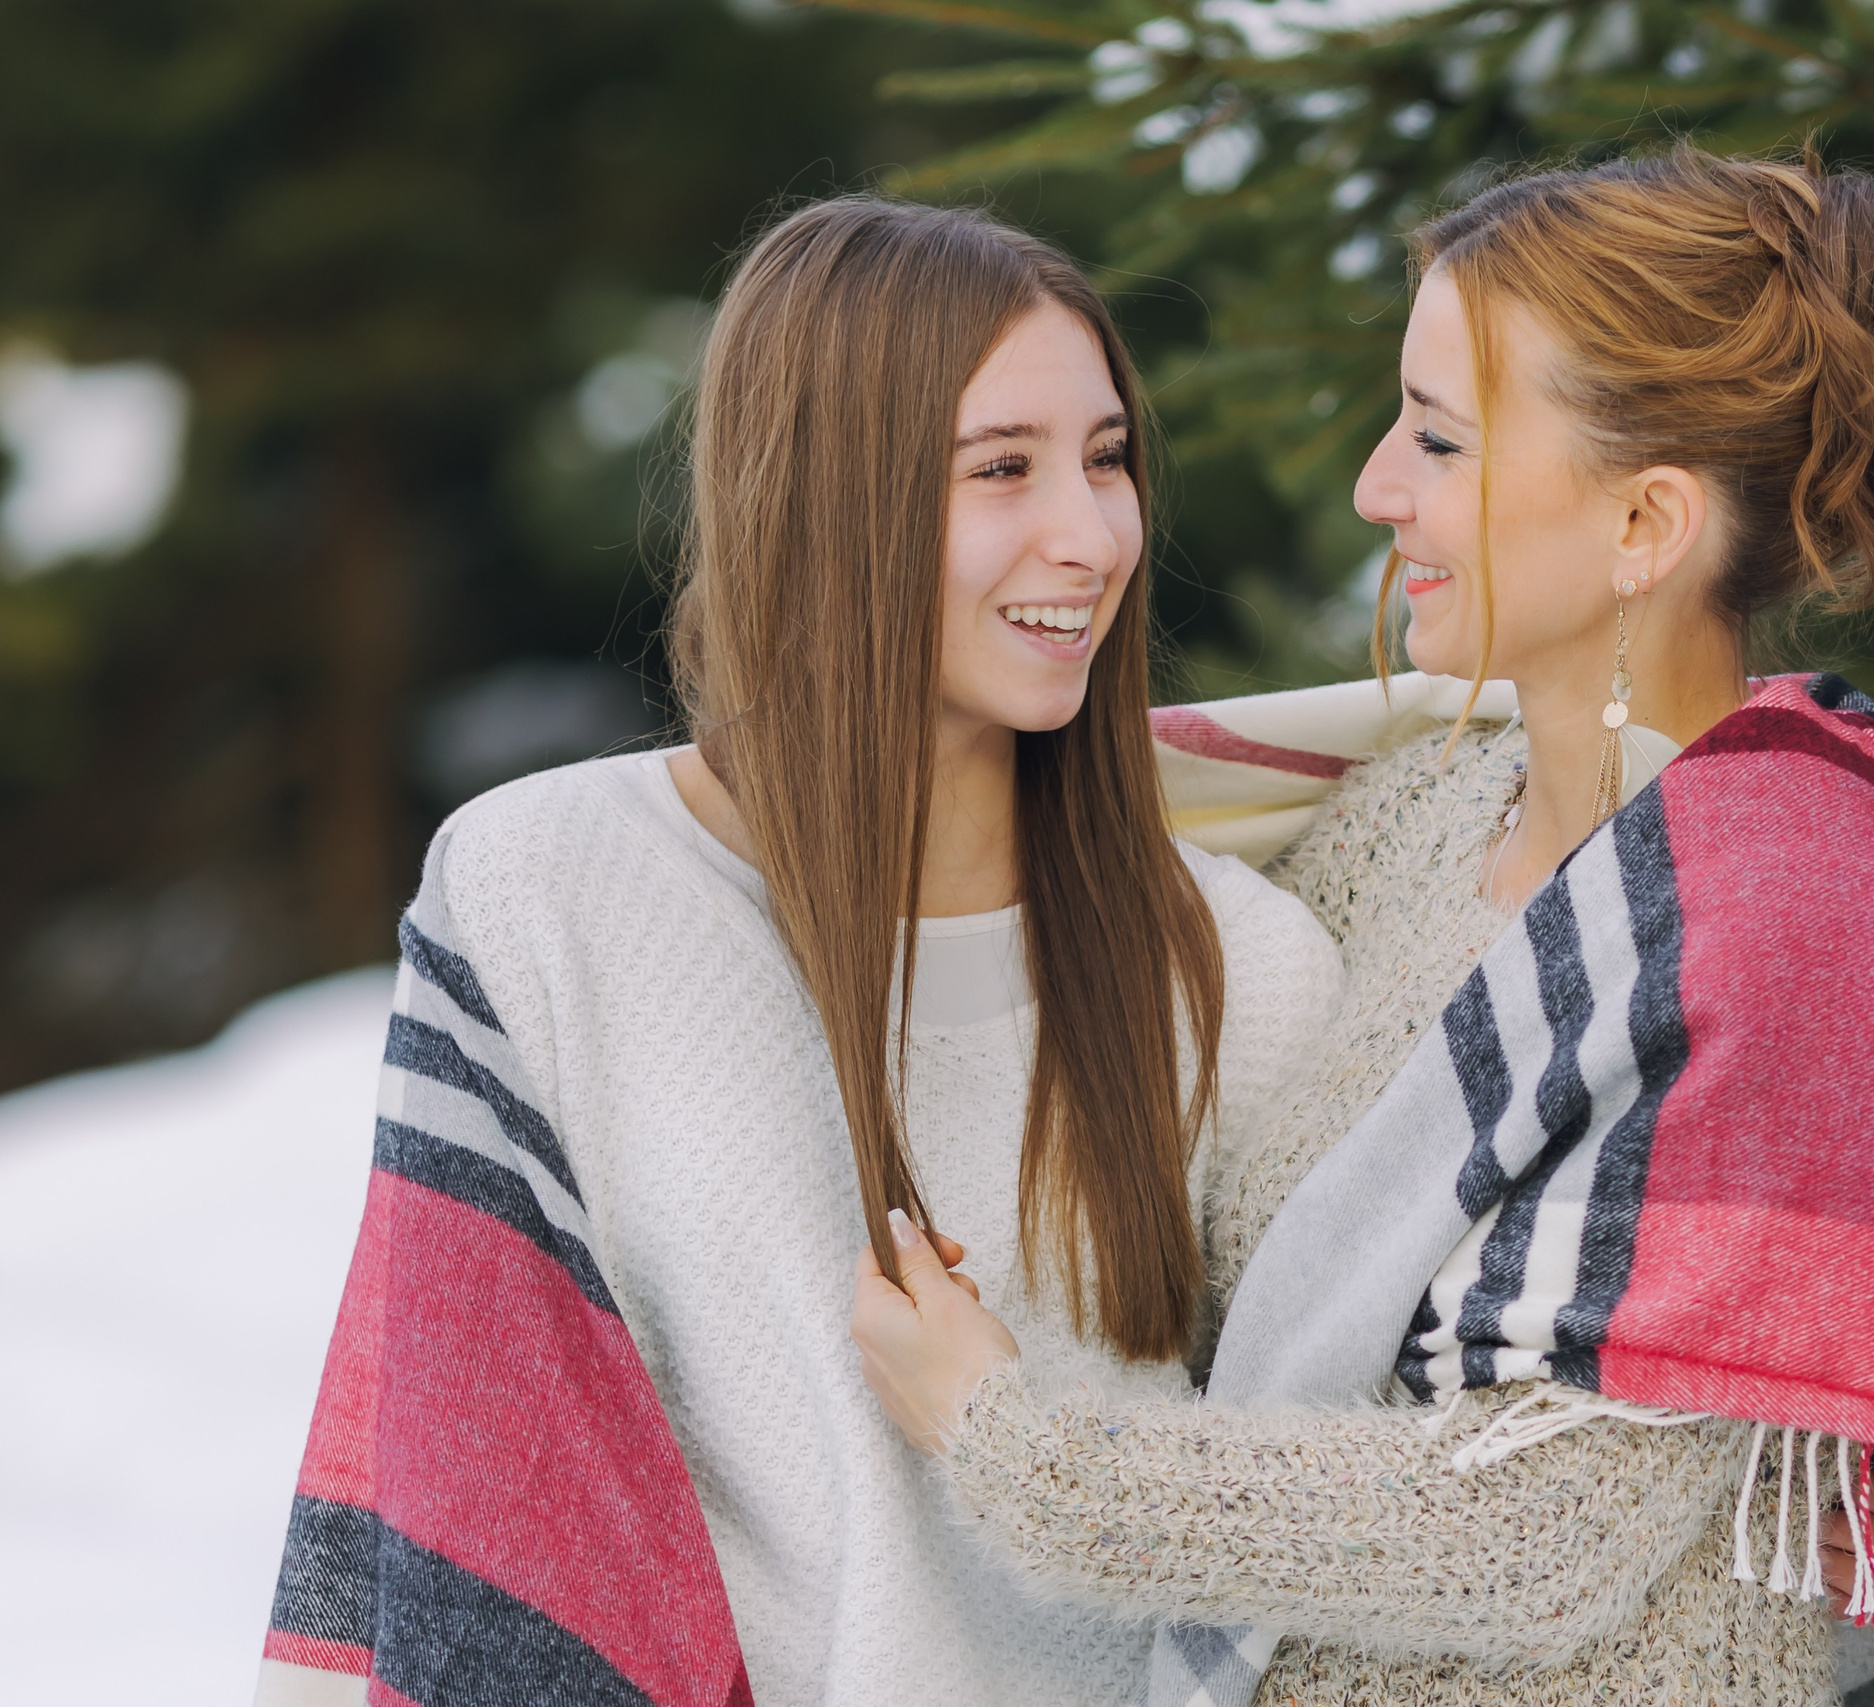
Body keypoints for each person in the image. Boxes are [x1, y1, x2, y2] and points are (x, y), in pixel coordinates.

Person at [852, 145, 1874, 1707]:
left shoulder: (1803, 922)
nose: (1378, 484)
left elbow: (1540, 1532)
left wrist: (1005, 1438)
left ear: (1645, 524)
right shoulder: (1419, 817)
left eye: (1438, 437)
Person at [251, 197, 1340, 1707]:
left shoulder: (1235, 964)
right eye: (1003, 470)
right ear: (827, 496)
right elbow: (448, 1476)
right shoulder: (546, 892)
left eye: (1106, 461)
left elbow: (1352, 1515)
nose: (1089, 535)